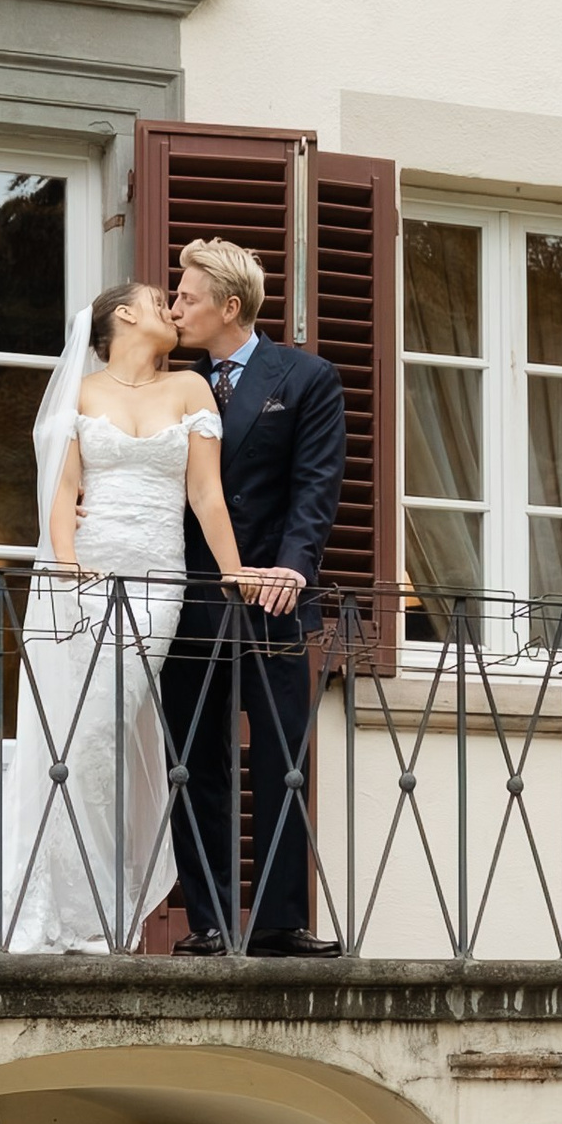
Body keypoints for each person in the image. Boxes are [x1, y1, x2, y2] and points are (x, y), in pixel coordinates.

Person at [0, 280, 262, 950]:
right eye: (155, 300)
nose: (169, 309)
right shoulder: (83, 395)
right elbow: (62, 490)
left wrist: (233, 569)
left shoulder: (190, 390)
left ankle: (90, 903)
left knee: (104, 732)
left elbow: (205, 493)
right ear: (122, 316)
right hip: (86, 575)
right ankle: (65, 898)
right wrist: (63, 559)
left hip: (157, 582)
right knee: (79, 736)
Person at [160, 237, 346, 956]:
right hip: (192, 604)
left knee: (281, 762)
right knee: (195, 763)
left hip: (272, 602)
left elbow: (315, 487)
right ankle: (207, 921)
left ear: (229, 306)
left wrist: (293, 570)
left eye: (187, 296)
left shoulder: (305, 377)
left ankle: (277, 923)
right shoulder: (176, 385)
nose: (176, 307)